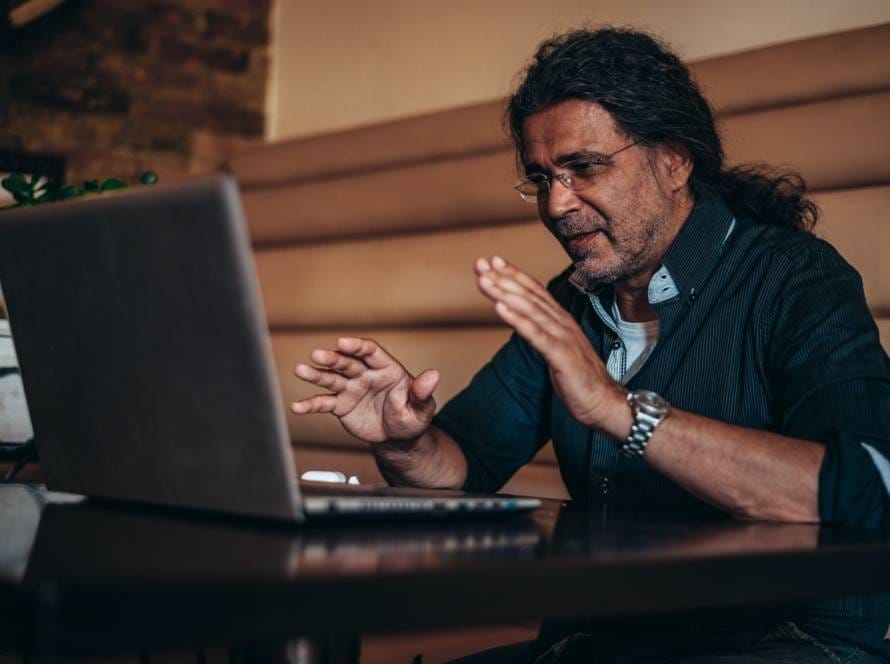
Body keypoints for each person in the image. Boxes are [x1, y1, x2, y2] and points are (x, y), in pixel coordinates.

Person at [291, 28, 890, 662]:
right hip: (612, 637)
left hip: (782, 642)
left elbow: (868, 490)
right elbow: (462, 468)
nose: (556, 203)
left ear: (674, 159)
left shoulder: (797, 278)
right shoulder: (571, 301)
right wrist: (404, 439)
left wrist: (618, 408)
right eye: (541, 177)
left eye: (584, 168)